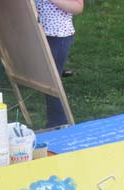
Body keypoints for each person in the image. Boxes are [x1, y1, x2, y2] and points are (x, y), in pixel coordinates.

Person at [35, 0, 83, 128]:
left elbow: (78, 7)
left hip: (58, 36)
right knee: (48, 78)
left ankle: (58, 123)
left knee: (52, 81)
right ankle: (57, 122)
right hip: (39, 33)